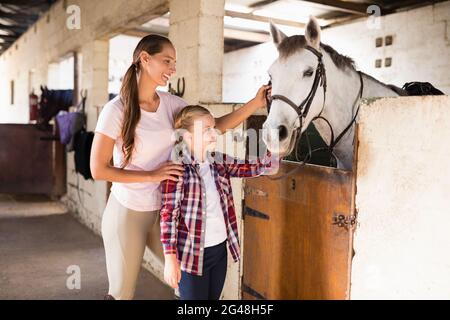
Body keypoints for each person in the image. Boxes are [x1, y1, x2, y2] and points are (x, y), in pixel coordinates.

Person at [90, 34, 271, 300]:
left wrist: (255, 104)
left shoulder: (172, 104)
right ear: (144, 59)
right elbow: (98, 169)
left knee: (185, 282)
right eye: (167, 61)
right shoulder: (116, 110)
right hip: (129, 213)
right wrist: (153, 174)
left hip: (167, 212)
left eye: (174, 62)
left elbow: (215, 125)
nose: (173, 69)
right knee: (121, 293)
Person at [160, 105, 279, 300]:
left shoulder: (219, 161)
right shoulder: (177, 169)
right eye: (206, 130)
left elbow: (255, 167)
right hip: (191, 255)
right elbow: (168, 216)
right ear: (188, 137)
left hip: (219, 252)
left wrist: (276, 148)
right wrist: (170, 258)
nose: (214, 132)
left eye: (214, 127)